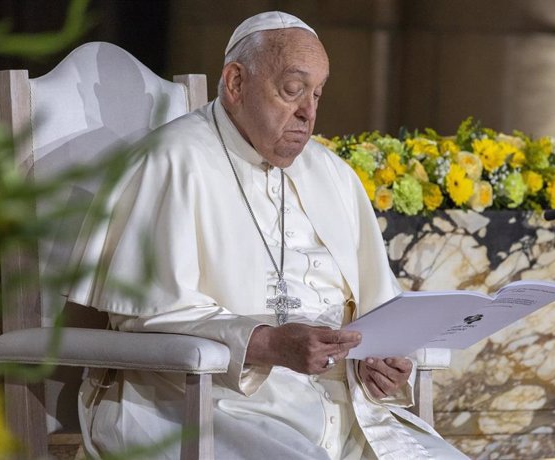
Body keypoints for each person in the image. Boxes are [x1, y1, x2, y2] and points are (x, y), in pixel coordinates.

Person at [70, 11, 469, 460]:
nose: (308, 113)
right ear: (236, 84)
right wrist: (266, 343)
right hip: (205, 406)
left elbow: (380, 308)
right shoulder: (173, 160)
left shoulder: (333, 174)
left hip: (350, 413)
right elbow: (141, 318)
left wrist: (388, 365)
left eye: (317, 94)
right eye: (293, 90)